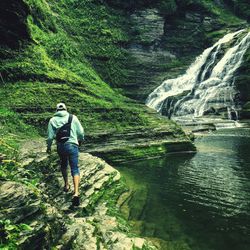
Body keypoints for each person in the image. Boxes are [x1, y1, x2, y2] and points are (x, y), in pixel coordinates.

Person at [46, 103, 84, 206]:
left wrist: (49, 147)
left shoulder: (52, 120)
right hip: (72, 145)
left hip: (61, 146)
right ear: (66, 109)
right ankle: (76, 193)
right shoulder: (73, 117)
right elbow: (81, 132)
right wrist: (80, 140)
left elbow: (50, 137)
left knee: (63, 164)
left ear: (56, 110)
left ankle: (66, 185)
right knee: (75, 168)